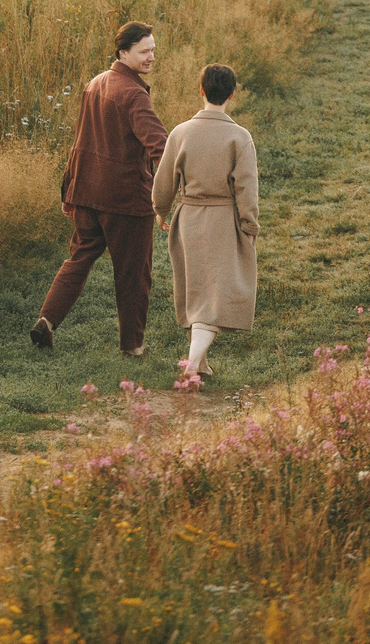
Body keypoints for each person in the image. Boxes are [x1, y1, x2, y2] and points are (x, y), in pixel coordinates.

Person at [32, 22, 168, 356]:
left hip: (87, 192)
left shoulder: (95, 83)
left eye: (153, 50)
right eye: (144, 51)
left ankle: (46, 321)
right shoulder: (134, 95)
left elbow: (79, 142)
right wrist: (176, 185)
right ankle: (132, 346)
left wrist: (68, 189)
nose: (152, 57)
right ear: (123, 52)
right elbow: (161, 147)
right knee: (133, 274)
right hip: (125, 199)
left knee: (79, 259)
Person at [151, 62, 258, 382]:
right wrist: (249, 225)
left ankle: (200, 364)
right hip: (224, 221)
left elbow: (164, 181)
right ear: (232, 95)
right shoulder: (240, 137)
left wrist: (161, 210)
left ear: (201, 90)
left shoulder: (180, 133)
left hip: (188, 219)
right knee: (214, 297)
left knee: (196, 290)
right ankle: (192, 364)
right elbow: (246, 187)